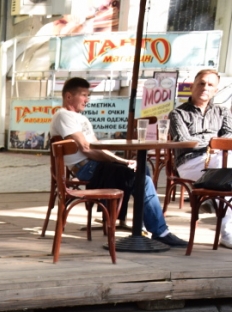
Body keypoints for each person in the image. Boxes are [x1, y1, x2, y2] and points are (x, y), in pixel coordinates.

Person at [49, 77, 187, 247]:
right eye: (84, 95)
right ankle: (160, 231)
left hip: (95, 165)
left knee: (142, 169)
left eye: (88, 95)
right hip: (86, 168)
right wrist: (119, 160)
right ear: (69, 97)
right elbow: (86, 148)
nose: (87, 99)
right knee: (141, 181)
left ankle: (142, 225)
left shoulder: (79, 118)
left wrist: (123, 161)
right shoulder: (64, 115)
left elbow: (96, 147)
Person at [169, 69, 232, 248]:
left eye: (210, 85)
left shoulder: (222, 112)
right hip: (190, 161)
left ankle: (213, 200)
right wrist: (214, 142)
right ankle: (227, 232)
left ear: (216, 90)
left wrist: (214, 144)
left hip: (219, 158)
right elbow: (184, 141)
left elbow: (229, 136)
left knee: (226, 170)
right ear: (192, 87)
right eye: (201, 83)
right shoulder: (178, 113)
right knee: (226, 169)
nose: (205, 87)